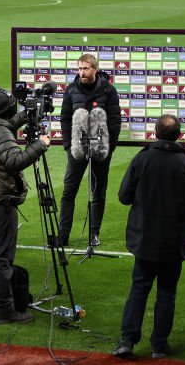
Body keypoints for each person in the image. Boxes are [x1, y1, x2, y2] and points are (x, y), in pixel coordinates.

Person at [113, 114, 185, 360]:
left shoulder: (142, 159)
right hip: (173, 240)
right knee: (167, 291)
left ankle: (127, 340)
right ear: (178, 136)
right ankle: (159, 346)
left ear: (155, 133)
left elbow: (124, 196)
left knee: (139, 287)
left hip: (144, 237)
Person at [0, 88, 51, 324]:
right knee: (2, 259)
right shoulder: (0, 133)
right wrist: (40, 144)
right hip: (0, 203)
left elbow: (4, 129)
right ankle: (5, 310)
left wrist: (25, 117)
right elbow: (14, 162)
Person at [58, 53, 122, 247]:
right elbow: (65, 119)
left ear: (94, 69)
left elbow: (115, 120)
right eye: (79, 69)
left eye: (85, 68)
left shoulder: (109, 90)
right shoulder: (70, 90)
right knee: (69, 191)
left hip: (101, 150)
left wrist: (109, 147)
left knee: (98, 192)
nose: (82, 72)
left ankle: (94, 234)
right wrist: (69, 146)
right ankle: (63, 235)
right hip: (77, 150)